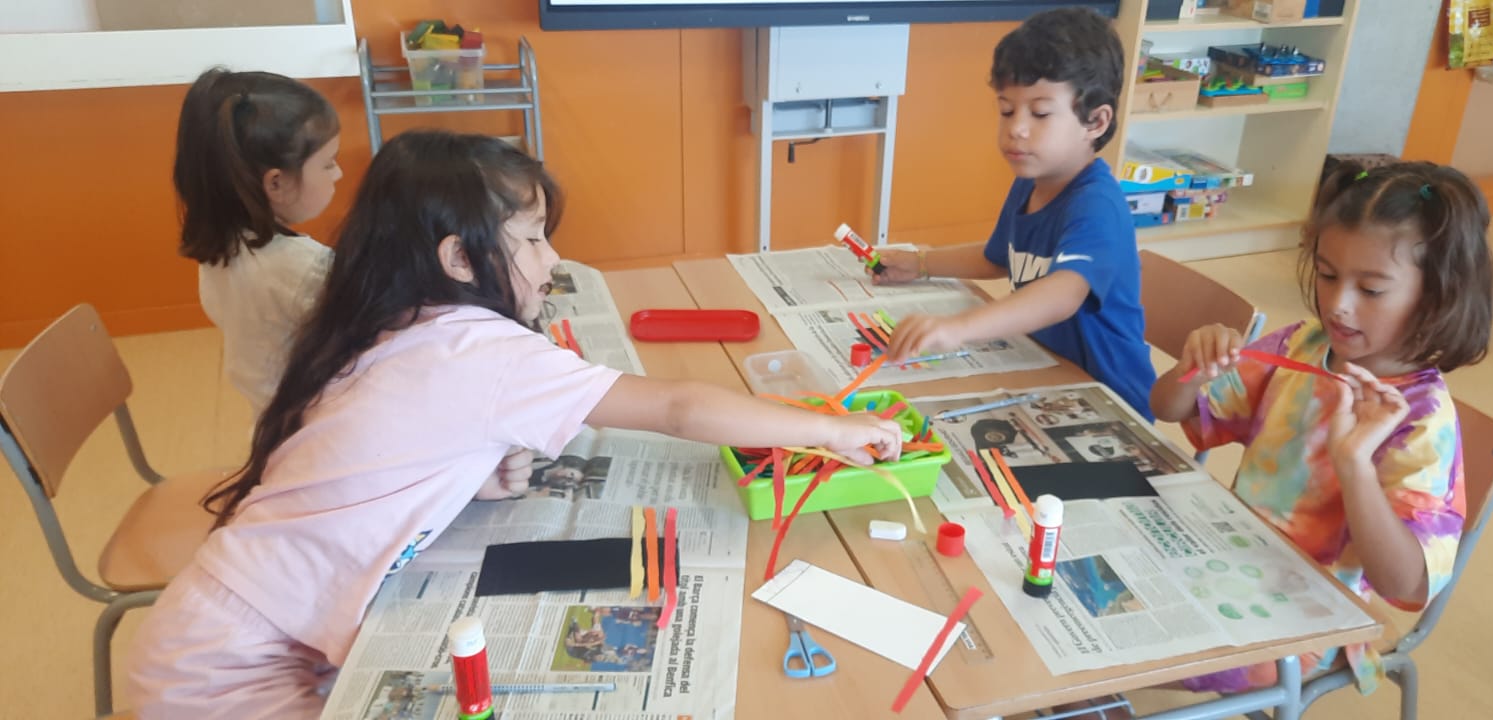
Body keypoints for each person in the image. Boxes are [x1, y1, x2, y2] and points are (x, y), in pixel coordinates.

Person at [127, 130, 902, 718]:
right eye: (532, 237)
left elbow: (380, 450)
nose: (552, 257)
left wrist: (469, 475)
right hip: (232, 666)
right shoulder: (481, 351)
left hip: (232, 621)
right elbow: (676, 407)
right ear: (460, 259)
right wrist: (828, 430)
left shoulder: (394, 319)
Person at [1148, 160, 1493, 697]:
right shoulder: (1302, 346)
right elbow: (1168, 408)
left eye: (1371, 289)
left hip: (1307, 623)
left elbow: (1403, 582)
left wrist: (1354, 465)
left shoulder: (1423, 420)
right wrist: (1193, 370)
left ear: (1437, 295)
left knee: (1112, 645)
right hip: (1221, 558)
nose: (1338, 305)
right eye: (1328, 275)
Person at [872, 7, 1157, 418]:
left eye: (1039, 113)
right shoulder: (1030, 182)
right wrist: (920, 263)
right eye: (1007, 110)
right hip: (1046, 376)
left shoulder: (1098, 205)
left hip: (1108, 403)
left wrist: (960, 327)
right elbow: (999, 257)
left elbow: (1063, 293)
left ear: (1095, 122)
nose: (1016, 128)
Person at [174, 68, 343, 414]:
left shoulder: (220, 250)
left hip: (270, 421)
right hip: (318, 424)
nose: (338, 173)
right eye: (328, 164)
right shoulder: (304, 267)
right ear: (276, 183)